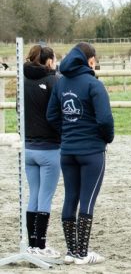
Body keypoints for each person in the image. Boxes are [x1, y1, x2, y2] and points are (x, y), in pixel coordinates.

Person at [46, 42, 114, 265]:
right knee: (87, 200)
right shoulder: (94, 84)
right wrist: (106, 138)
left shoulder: (61, 83)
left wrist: (67, 132)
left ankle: (71, 251)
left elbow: (51, 115)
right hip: (92, 151)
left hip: (68, 151)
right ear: (90, 60)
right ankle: (83, 253)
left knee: (70, 198)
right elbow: (105, 119)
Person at [23, 44, 61, 259]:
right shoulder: (53, 81)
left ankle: (32, 244)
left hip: (28, 148)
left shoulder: (23, 80)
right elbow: (57, 113)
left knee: (34, 195)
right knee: (45, 197)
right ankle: (41, 245)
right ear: (48, 61)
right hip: (49, 148)